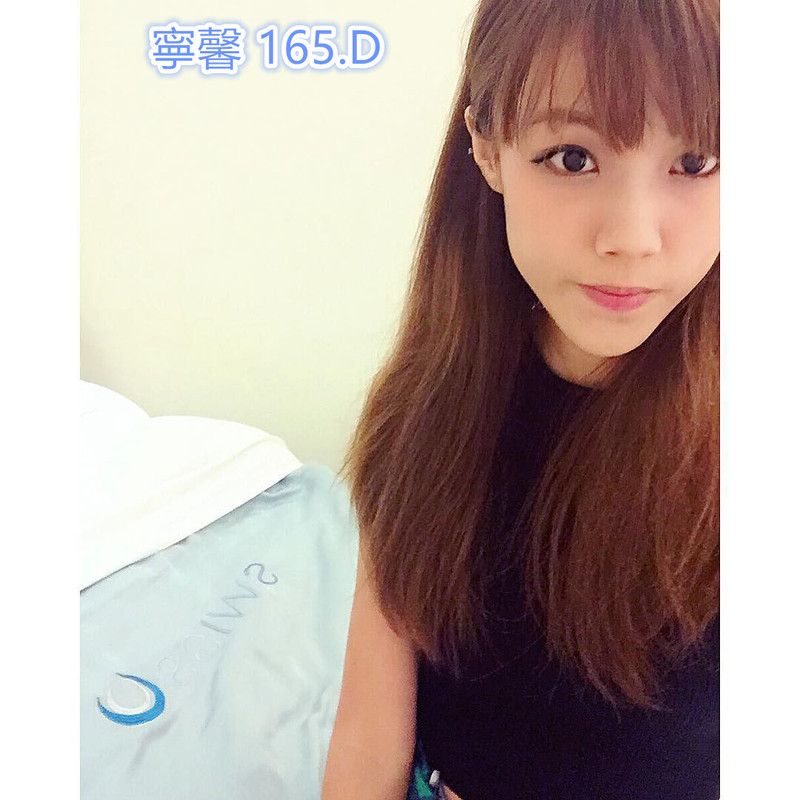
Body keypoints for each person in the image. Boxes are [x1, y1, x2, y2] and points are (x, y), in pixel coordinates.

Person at [322, 0, 719, 798]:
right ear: (487, 146)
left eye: (697, 160)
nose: (632, 237)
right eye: (572, 157)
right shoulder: (423, 409)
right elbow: (369, 739)